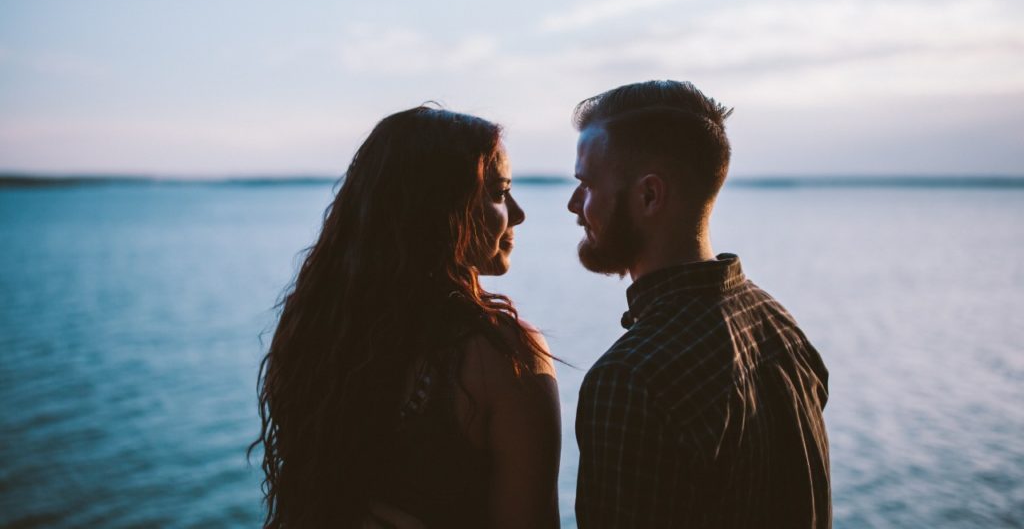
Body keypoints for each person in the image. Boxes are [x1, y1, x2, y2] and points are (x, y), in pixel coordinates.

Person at [252, 106, 561, 528]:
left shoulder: (316, 331)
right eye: (499, 192)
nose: (519, 214)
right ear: (442, 207)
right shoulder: (503, 356)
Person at [567, 81, 831, 528]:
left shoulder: (632, 378)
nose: (574, 204)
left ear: (649, 196)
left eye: (587, 185)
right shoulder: (779, 324)